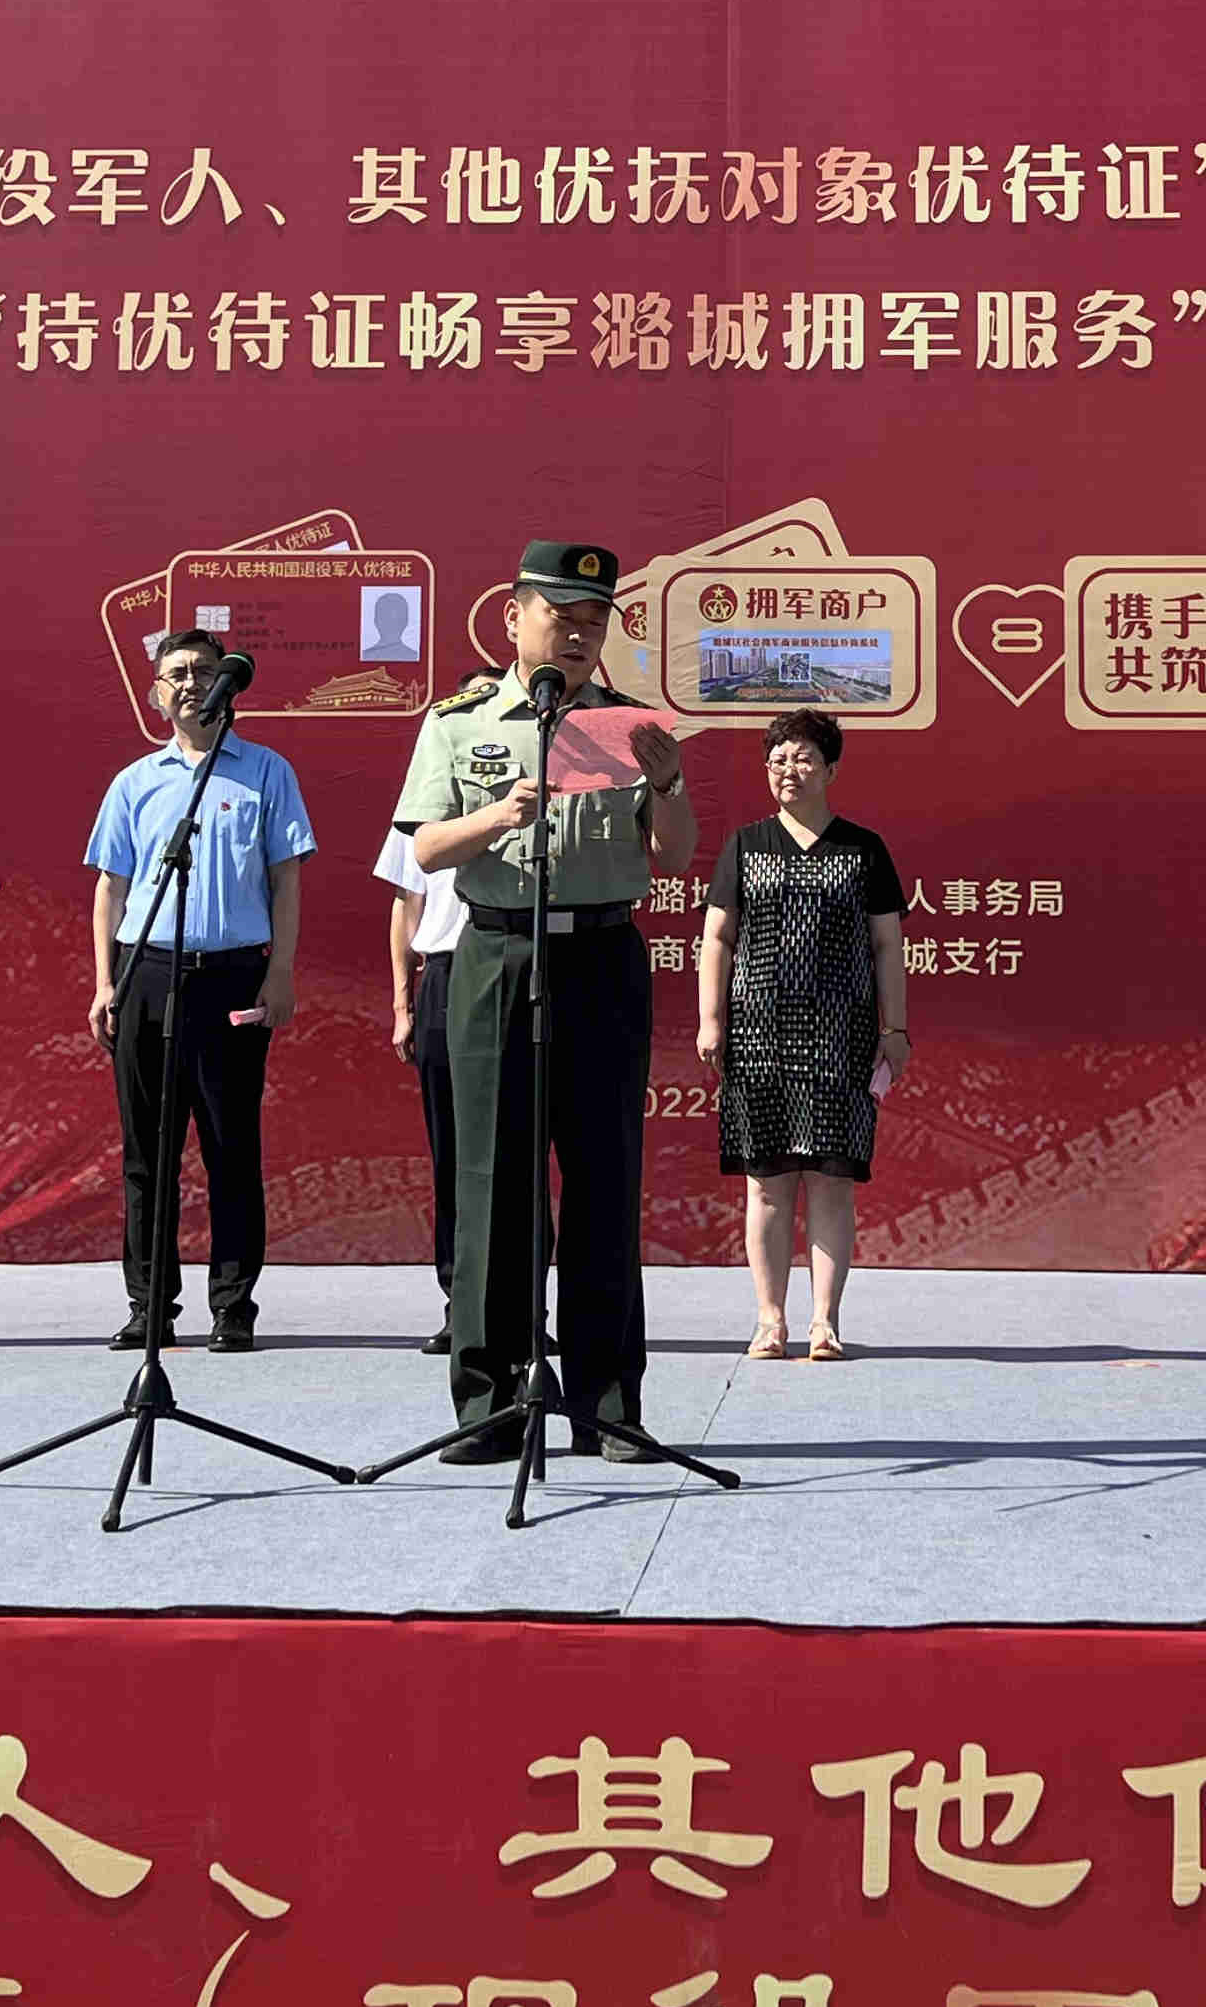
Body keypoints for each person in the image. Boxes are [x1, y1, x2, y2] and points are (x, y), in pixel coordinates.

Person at [395, 541, 691, 1462]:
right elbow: (425, 850)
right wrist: (497, 816)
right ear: (513, 617)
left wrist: (668, 783)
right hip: (494, 955)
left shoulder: (627, 727)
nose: (577, 634)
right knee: (492, 1184)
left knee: (604, 1181)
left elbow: (675, 855)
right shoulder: (459, 721)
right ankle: (491, 1401)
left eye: (594, 621)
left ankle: (609, 1404)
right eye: (561, 616)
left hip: (601, 957)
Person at [87, 628, 312, 1353]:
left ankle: (233, 1306)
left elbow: (285, 879)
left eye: (204, 671)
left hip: (234, 977)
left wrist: (280, 972)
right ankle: (149, 1306)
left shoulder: (267, 771)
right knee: (146, 1153)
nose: (191, 683)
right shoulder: (135, 782)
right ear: (156, 695)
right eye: (177, 673)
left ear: (227, 685)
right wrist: (106, 982)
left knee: (231, 1147)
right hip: (147, 973)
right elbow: (112, 887)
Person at [695, 710, 910, 1361]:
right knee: (766, 1183)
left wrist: (894, 1028)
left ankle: (824, 1321)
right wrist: (711, 1020)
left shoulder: (863, 849)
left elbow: (887, 944)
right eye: (778, 760)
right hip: (758, 1033)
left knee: (832, 1180)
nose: (789, 771)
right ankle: (769, 1320)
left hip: (841, 1035)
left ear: (831, 770)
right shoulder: (746, 845)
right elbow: (717, 938)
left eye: (803, 759)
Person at [377, 673, 493, 1362]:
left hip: (513, 966)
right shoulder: (426, 796)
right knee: (455, 1155)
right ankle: (461, 1305)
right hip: (446, 977)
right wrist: (402, 1002)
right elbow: (406, 906)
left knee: (516, 1151)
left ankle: (524, 1307)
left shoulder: (526, 790)